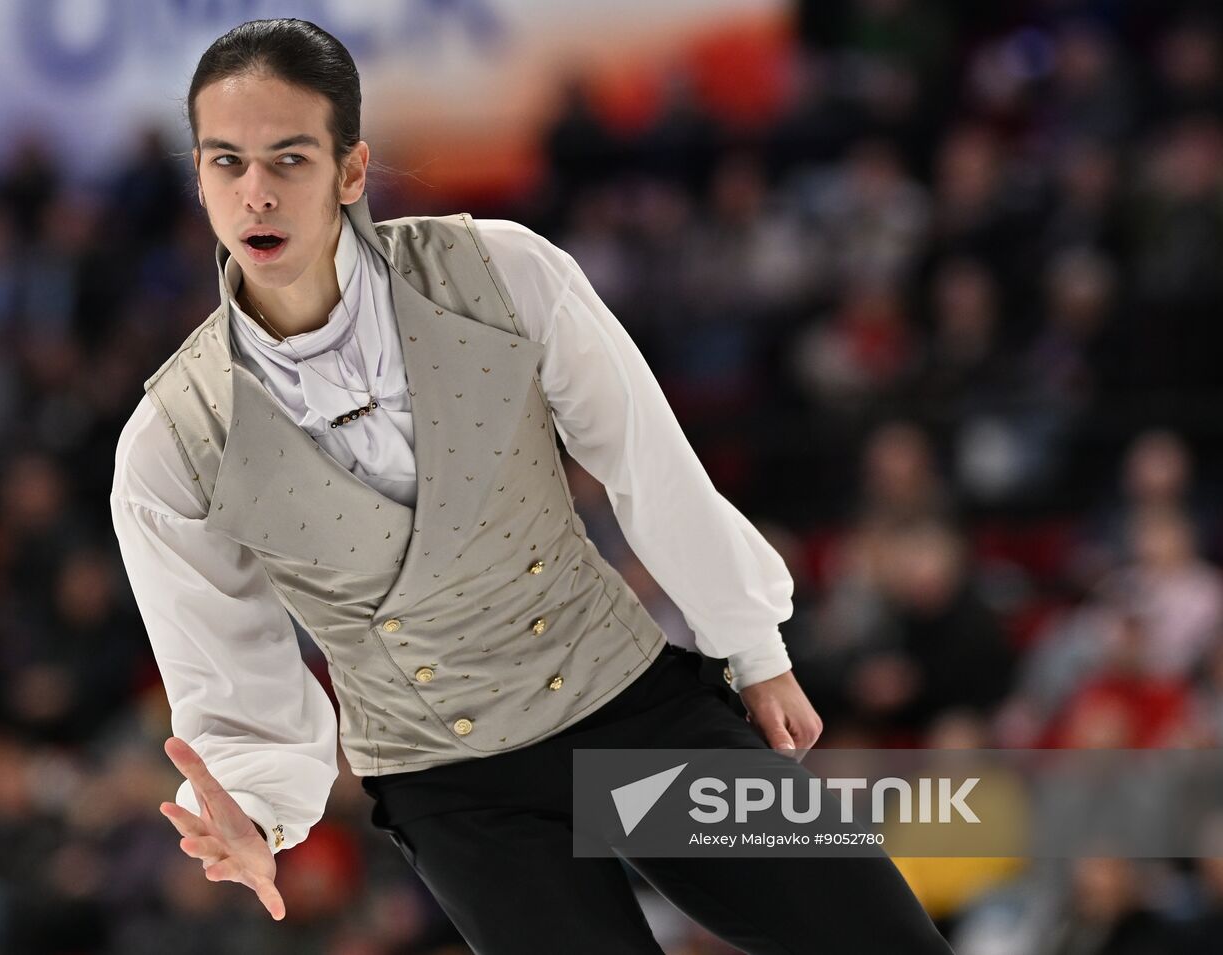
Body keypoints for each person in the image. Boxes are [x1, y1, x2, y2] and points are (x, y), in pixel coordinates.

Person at [110, 17, 954, 953]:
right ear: (197, 175)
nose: (255, 194)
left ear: (352, 172)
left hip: (630, 708)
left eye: (289, 159)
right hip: (453, 788)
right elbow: (230, 664)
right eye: (226, 162)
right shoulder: (170, 441)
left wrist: (751, 646)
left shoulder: (502, 272)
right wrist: (257, 811)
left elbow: (649, 461)